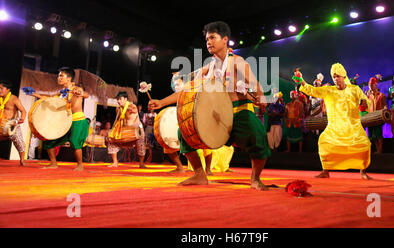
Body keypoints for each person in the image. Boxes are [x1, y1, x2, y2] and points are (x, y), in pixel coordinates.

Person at [149, 21, 271, 190]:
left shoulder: (237, 62)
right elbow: (187, 92)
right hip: (215, 115)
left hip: (238, 112)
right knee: (183, 132)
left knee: (256, 133)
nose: (209, 42)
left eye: (213, 37)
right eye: (207, 39)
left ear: (225, 39)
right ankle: (199, 175)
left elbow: (255, 84)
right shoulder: (207, 69)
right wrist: (161, 102)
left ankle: (255, 179)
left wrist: (261, 97)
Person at [298, 63, 372, 179]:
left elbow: (366, 101)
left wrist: (364, 103)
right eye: (333, 77)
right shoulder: (328, 90)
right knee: (324, 142)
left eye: (337, 76)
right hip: (334, 128)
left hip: (353, 127)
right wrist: (301, 80)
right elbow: (312, 90)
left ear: (343, 76)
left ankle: (363, 172)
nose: (335, 79)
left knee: (364, 144)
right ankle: (325, 171)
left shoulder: (355, 90)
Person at [28, 67, 90, 171]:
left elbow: (85, 94)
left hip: (77, 120)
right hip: (64, 122)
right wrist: (34, 94)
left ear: (69, 78)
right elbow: (50, 99)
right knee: (49, 141)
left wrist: (81, 93)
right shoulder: (61, 92)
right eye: (59, 75)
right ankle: (53, 163)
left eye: (61, 75)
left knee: (75, 143)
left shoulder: (76, 88)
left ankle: (80, 165)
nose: (59, 78)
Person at [107, 92, 147, 168]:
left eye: (120, 99)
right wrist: (113, 131)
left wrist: (131, 109)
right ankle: (115, 162)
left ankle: (141, 163)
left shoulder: (132, 106)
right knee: (111, 140)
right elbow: (118, 120)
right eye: (117, 99)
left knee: (140, 145)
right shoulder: (118, 109)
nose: (118, 101)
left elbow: (135, 110)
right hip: (125, 131)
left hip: (136, 130)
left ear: (125, 99)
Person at [0, 80, 27, 166]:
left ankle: (22, 160)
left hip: (11, 124)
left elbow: (23, 111)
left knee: (19, 142)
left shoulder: (14, 99)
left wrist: (21, 119)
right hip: (0, 122)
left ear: (8, 89)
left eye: (1, 88)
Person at [365, 76, 387, 154]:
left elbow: (385, 105)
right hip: (371, 117)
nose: (370, 86)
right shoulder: (368, 96)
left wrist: (385, 111)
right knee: (372, 135)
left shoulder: (381, 95)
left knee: (378, 133)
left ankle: (380, 149)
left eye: (372, 84)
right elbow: (365, 106)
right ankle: (377, 149)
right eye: (369, 85)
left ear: (376, 85)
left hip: (378, 117)